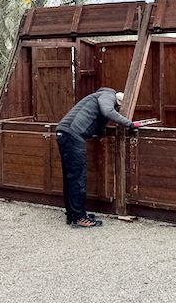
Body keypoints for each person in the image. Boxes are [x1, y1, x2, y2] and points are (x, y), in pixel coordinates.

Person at [56, 87, 142, 228]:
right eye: (118, 107)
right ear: (119, 101)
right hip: (73, 135)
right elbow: (107, 111)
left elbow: (96, 121)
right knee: (77, 178)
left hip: (65, 133)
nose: (117, 109)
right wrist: (130, 124)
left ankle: (73, 214)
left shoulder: (97, 96)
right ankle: (79, 218)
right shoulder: (108, 95)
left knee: (70, 177)